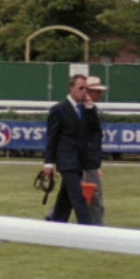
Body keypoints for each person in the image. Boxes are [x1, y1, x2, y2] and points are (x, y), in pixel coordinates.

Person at [42, 73, 95, 225]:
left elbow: (94, 128)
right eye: (81, 88)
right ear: (72, 88)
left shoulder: (84, 109)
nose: (84, 91)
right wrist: (48, 163)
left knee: (66, 196)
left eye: (86, 88)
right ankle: (88, 227)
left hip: (79, 160)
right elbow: (52, 137)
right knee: (78, 195)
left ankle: (57, 222)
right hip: (66, 160)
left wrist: (90, 107)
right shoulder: (58, 109)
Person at [80, 75, 105, 224]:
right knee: (94, 192)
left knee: (72, 191)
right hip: (87, 159)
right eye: (96, 91)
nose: (99, 94)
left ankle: (53, 216)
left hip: (89, 158)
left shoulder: (90, 108)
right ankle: (96, 222)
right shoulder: (84, 110)